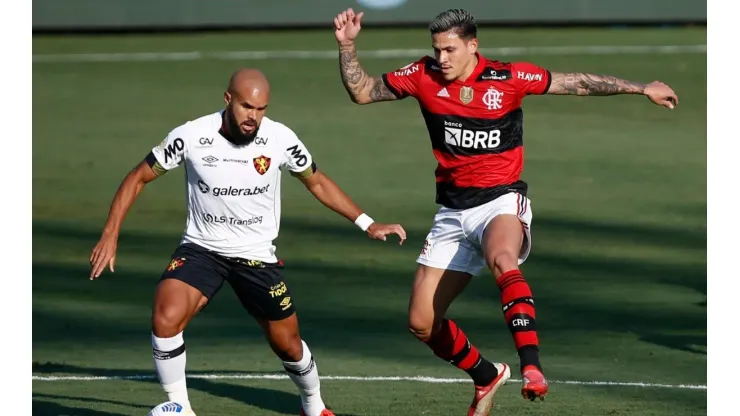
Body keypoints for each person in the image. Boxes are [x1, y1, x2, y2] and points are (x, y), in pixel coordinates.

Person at [332, 7, 678, 415]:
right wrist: (348, 46)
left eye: (449, 49)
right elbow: (362, 91)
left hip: (500, 200)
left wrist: (642, 88)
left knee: (503, 259)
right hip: (451, 213)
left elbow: (575, 82)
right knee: (422, 323)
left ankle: (531, 367)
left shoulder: (508, 77)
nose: (441, 58)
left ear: (472, 46)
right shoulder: (422, 75)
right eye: (436, 49)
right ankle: (485, 375)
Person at [88, 68, 407, 416]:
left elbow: (316, 182)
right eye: (246, 107)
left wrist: (368, 223)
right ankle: (179, 405)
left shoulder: (280, 139)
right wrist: (110, 232)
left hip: (256, 257)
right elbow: (138, 177)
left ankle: (313, 405)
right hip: (202, 249)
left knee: (288, 345)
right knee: (166, 316)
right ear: (228, 100)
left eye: (261, 109)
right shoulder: (192, 135)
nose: (253, 117)